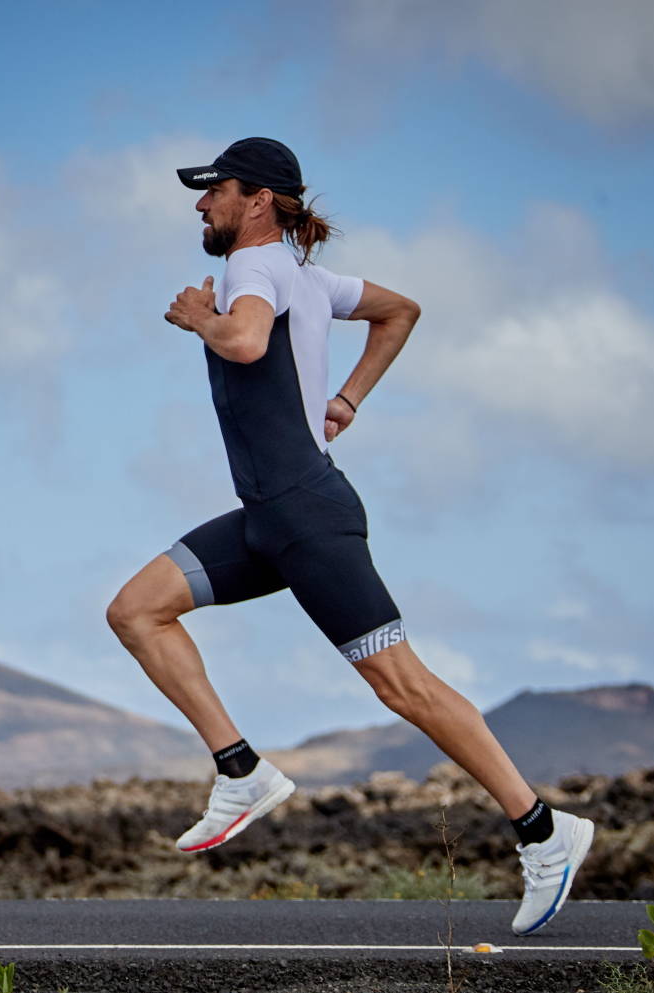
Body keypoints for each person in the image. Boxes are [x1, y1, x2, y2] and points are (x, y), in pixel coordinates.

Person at [105, 137, 594, 936]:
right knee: (136, 610)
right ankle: (241, 770)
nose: (201, 205)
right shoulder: (309, 277)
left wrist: (202, 319)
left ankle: (543, 829)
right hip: (271, 520)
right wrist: (350, 399)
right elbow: (402, 310)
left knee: (404, 685)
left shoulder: (254, 270)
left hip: (307, 517)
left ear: (257, 199)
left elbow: (248, 341)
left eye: (215, 191)